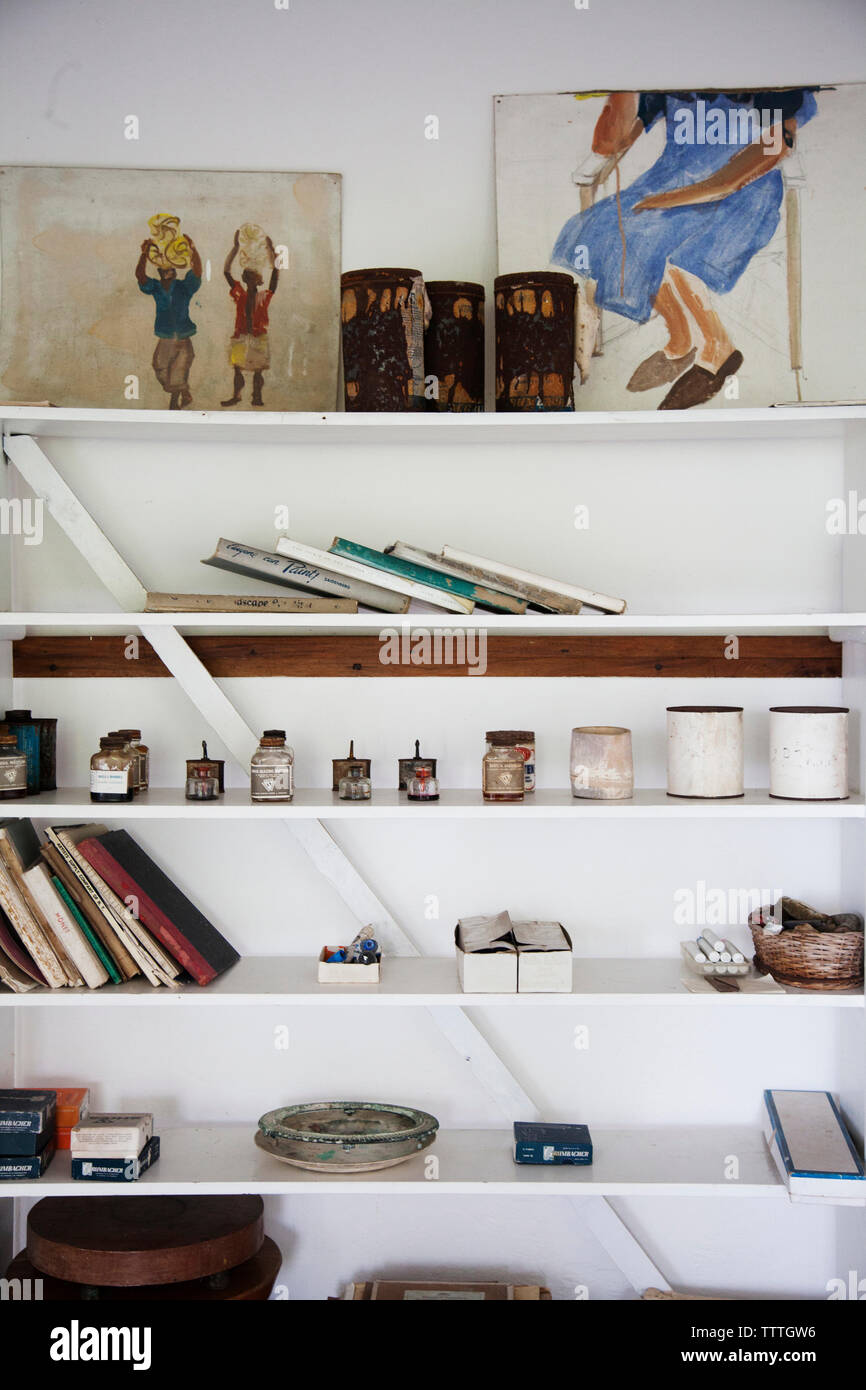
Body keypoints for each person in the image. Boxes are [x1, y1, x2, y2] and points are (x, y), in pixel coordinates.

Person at [552, 90, 818, 409]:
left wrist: (671, 199)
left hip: (744, 191)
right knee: (607, 231)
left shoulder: (774, 91)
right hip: (669, 180)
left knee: (680, 259)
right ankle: (680, 340)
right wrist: (623, 94)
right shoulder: (668, 85)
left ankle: (718, 349)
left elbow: (744, 171)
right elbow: (610, 143)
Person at [135, 233, 202, 409]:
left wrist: (192, 249)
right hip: (165, 337)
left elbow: (197, 272)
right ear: (160, 272)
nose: (168, 271)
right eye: (164, 269)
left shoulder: (183, 287)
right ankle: (184, 392)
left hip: (183, 337)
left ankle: (175, 403)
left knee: (179, 370)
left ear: (174, 271)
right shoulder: (155, 288)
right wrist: (143, 254)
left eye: (171, 268)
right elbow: (140, 277)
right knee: (160, 367)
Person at [221, 228, 279, 407]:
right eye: (248, 275)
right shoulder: (240, 293)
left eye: (253, 276)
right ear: (246, 279)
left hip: (258, 335)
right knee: (237, 369)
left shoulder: (263, 296)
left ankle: (257, 396)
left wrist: (272, 251)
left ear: (258, 279)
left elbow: (275, 273)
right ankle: (237, 395)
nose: (250, 278)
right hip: (240, 335)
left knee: (258, 371)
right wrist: (235, 248)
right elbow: (226, 272)